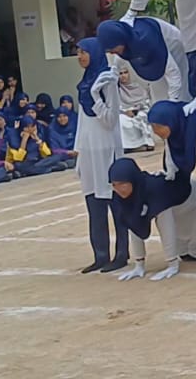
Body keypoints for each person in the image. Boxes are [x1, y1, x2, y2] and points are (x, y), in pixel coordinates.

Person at [73, 38, 128, 274]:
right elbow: (82, 120)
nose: (80, 56)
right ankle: (101, 255)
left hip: (107, 149)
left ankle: (122, 253)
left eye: (84, 52)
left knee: (116, 204)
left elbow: (110, 120)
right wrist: (79, 151)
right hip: (89, 151)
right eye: (78, 52)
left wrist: (96, 97)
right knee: (93, 204)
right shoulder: (84, 81)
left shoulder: (107, 80)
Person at [108, 158, 196, 282]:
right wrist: (139, 264)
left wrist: (172, 264)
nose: (119, 189)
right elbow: (133, 224)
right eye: (114, 185)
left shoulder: (155, 190)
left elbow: (166, 226)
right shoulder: (119, 195)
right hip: (175, 209)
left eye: (123, 184)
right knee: (185, 252)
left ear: (133, 180)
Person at [96, 16, 191, 102]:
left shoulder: (148, 42)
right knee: (158, 93)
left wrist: (173, 102)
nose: (111, 52)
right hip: (151, 47)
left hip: (171, 44)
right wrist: (112, 77)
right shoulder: (122, 37)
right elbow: (116, 63)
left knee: (181, 91)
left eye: (112, 49)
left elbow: (173, 72)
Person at [112, 60, 155, 153]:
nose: (123, 76)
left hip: (139, 111)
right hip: (124, 113)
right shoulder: (117, 91)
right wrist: (125, 112)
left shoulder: (138, 87)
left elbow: (146, 103)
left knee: (142, 117)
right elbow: (116, 106)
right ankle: (129, 146)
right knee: (121, 120)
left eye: (125, 73)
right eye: (120, 73)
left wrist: (136, 110)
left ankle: (145, 143)